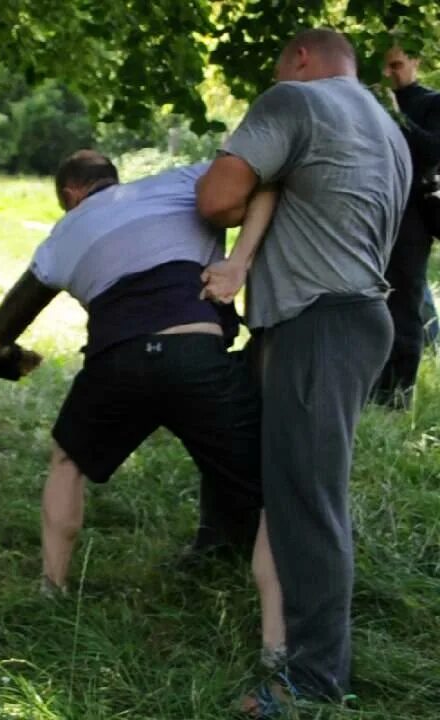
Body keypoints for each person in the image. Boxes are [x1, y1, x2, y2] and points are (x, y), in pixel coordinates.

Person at [0, 150, 284, 662]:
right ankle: (277, 645)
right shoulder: (184, 182)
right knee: (277, 486)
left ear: (71, 195)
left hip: (117, 364)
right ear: (113, 179)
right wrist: (240, 260)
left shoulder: (62, 235)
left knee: (67, 460)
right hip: (196, 355)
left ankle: (52, 588)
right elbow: (266, 176)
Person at [197, 28, 409, 714]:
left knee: (309, 503)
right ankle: (229, 569)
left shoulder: (294, 100)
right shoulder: (387, 126)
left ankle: (313, 682)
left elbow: (217, 199)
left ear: (301, 59)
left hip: (318, 322)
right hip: (355, 318)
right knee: (280, 481)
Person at [374, 44, 440, 407]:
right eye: (383, 68)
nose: (389, 75)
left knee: (404, 307)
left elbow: (433, 150)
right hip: (370, 218)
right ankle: (368, 387)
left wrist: (395, 114)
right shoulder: (368, 108)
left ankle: (397, 396)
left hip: (411, 221)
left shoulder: (431, 104)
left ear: (416, 62)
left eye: (396, 65)